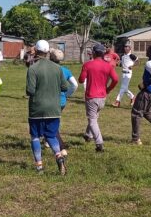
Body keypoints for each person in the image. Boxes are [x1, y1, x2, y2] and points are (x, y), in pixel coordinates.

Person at [26, 40, 68, 174]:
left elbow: (30, 90)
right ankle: (59, 156)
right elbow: (65, 87)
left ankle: (39, 166)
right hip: (54, 109)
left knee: (35, 137)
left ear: (36, 51)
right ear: (48, 52)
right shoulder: (57, 68)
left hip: (36, 109)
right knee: (51, 135)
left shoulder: (33, 68)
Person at [78, 43, 119, 152]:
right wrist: (108, 89)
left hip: (91, 96)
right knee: (94, 117)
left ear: (94, 53)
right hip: (102, 97)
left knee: (92, 120)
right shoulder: (108, 66)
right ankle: (88, 135)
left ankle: (99, 143)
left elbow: (81, 80)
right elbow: (115, 79)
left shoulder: (88, 65)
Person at [50, 48, 78, 157]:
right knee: (54, 120)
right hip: (62, 101)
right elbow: (74, 85)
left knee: (51, 124)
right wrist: (66, 94)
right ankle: (48, 140)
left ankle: (61, 147)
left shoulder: (48, 70)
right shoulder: (66, 70)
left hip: (50, 100)